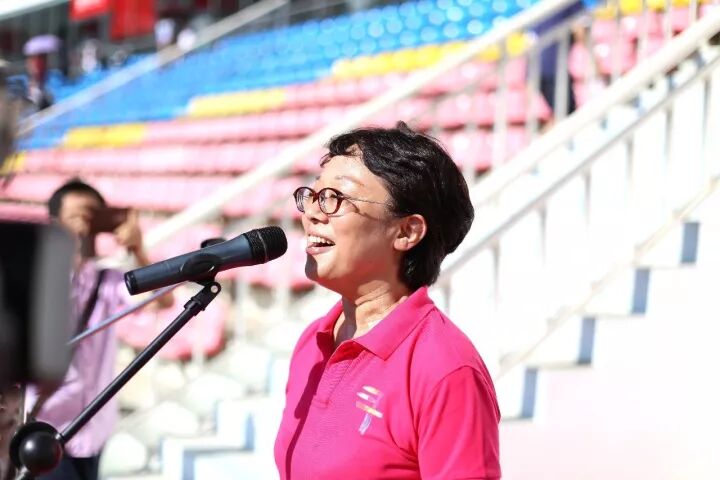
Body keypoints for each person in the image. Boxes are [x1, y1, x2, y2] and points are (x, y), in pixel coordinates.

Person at [274, 123, 501, 479]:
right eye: (314, 196)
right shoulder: (313, 342)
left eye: (336, 198)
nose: (313, 213)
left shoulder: (445, 369)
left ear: (407, 231)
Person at [25, 179, 172, 480]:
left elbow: (164, 301)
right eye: (75, 216)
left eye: (91, 216)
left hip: (94, 427)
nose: (84, 225)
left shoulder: (108, 280)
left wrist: (138, 249)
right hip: (47, 424)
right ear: (54, 223)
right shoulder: (37, 275)